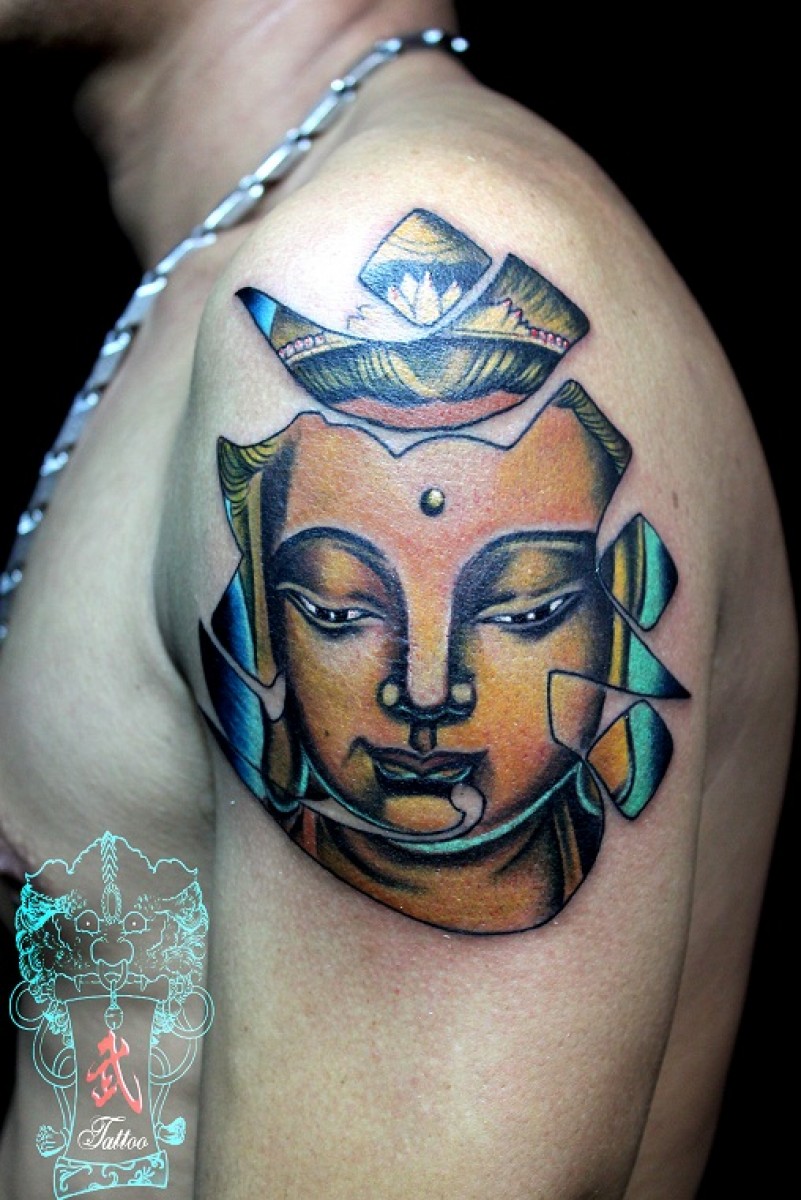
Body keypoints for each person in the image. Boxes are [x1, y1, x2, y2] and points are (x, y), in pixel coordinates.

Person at [0, 2, 795, 1197]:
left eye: (520, 608)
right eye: (335, 608)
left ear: (622, 598)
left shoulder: (372, 240)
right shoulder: (235, 272)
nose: (427, 693)